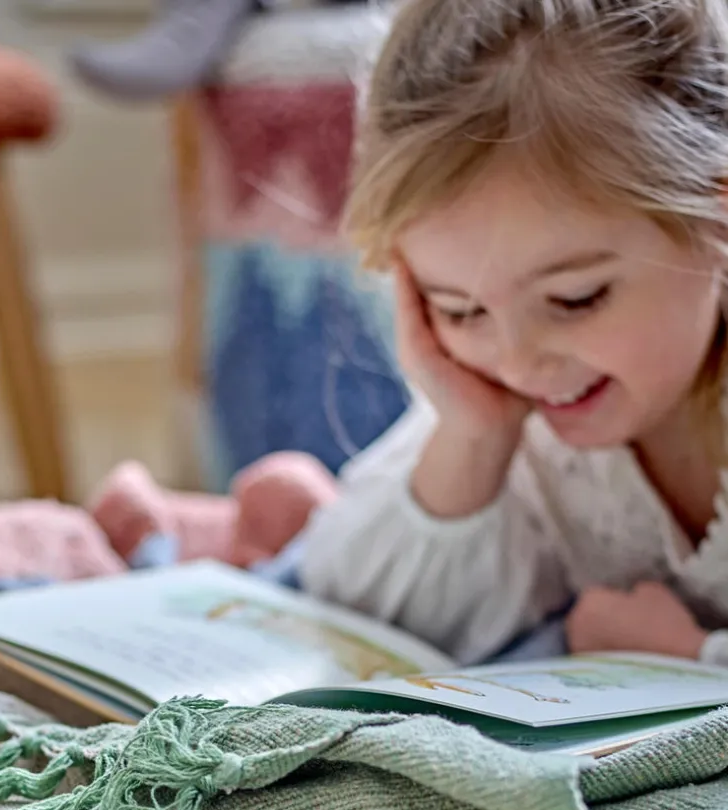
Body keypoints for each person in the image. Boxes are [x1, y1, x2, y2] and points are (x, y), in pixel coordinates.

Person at [300, 0, 728, 668]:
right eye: (460, 309)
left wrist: (689, 655)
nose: (520, 363)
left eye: (575, 299)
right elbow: (354, 619)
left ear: (716, 216)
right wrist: (472, 437)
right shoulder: (523, 412)